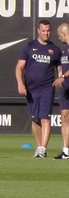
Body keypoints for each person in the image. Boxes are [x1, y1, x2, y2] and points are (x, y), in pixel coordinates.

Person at [15, 20, 62, 158]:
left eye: (48, 31)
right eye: (44, 30)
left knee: (45, 117)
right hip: (30, 89)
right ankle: (39, 146)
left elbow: (59, 67)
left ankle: (42, 148)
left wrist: (60, 75)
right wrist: (20, 83)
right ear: (38, 31)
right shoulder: (29, 46)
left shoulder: (55, 50)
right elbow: (19, 67)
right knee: (35, 119)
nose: (46, 33)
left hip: (47, 88)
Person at [53, 23, 69, 159]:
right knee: (64, 117)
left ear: (64, 33)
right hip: (65, 89)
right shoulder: (64, 51)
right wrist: (60, 72)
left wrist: (63, 77)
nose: (58, 38)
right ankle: (66, 151)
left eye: (59, 35)